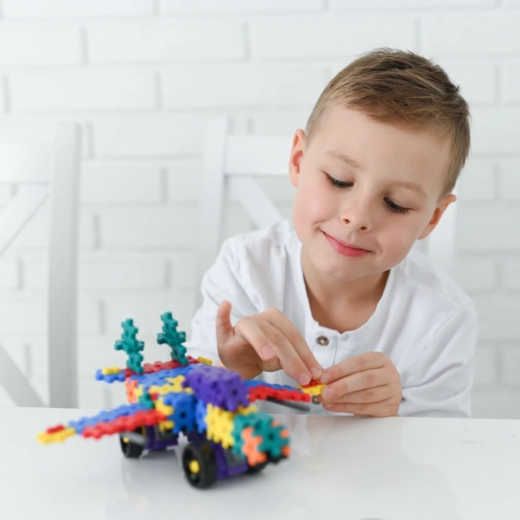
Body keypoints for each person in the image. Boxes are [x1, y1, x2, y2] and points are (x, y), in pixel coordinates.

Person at [185, 48, 478, 418]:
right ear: (298, 161)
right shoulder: (243, 271)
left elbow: (446, 445)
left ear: (432, 218)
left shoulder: (443, 319)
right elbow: (181, 412)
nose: (357, 218)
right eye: (339, 180)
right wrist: (230, 373)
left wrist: (394, 419)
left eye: (395, 203)